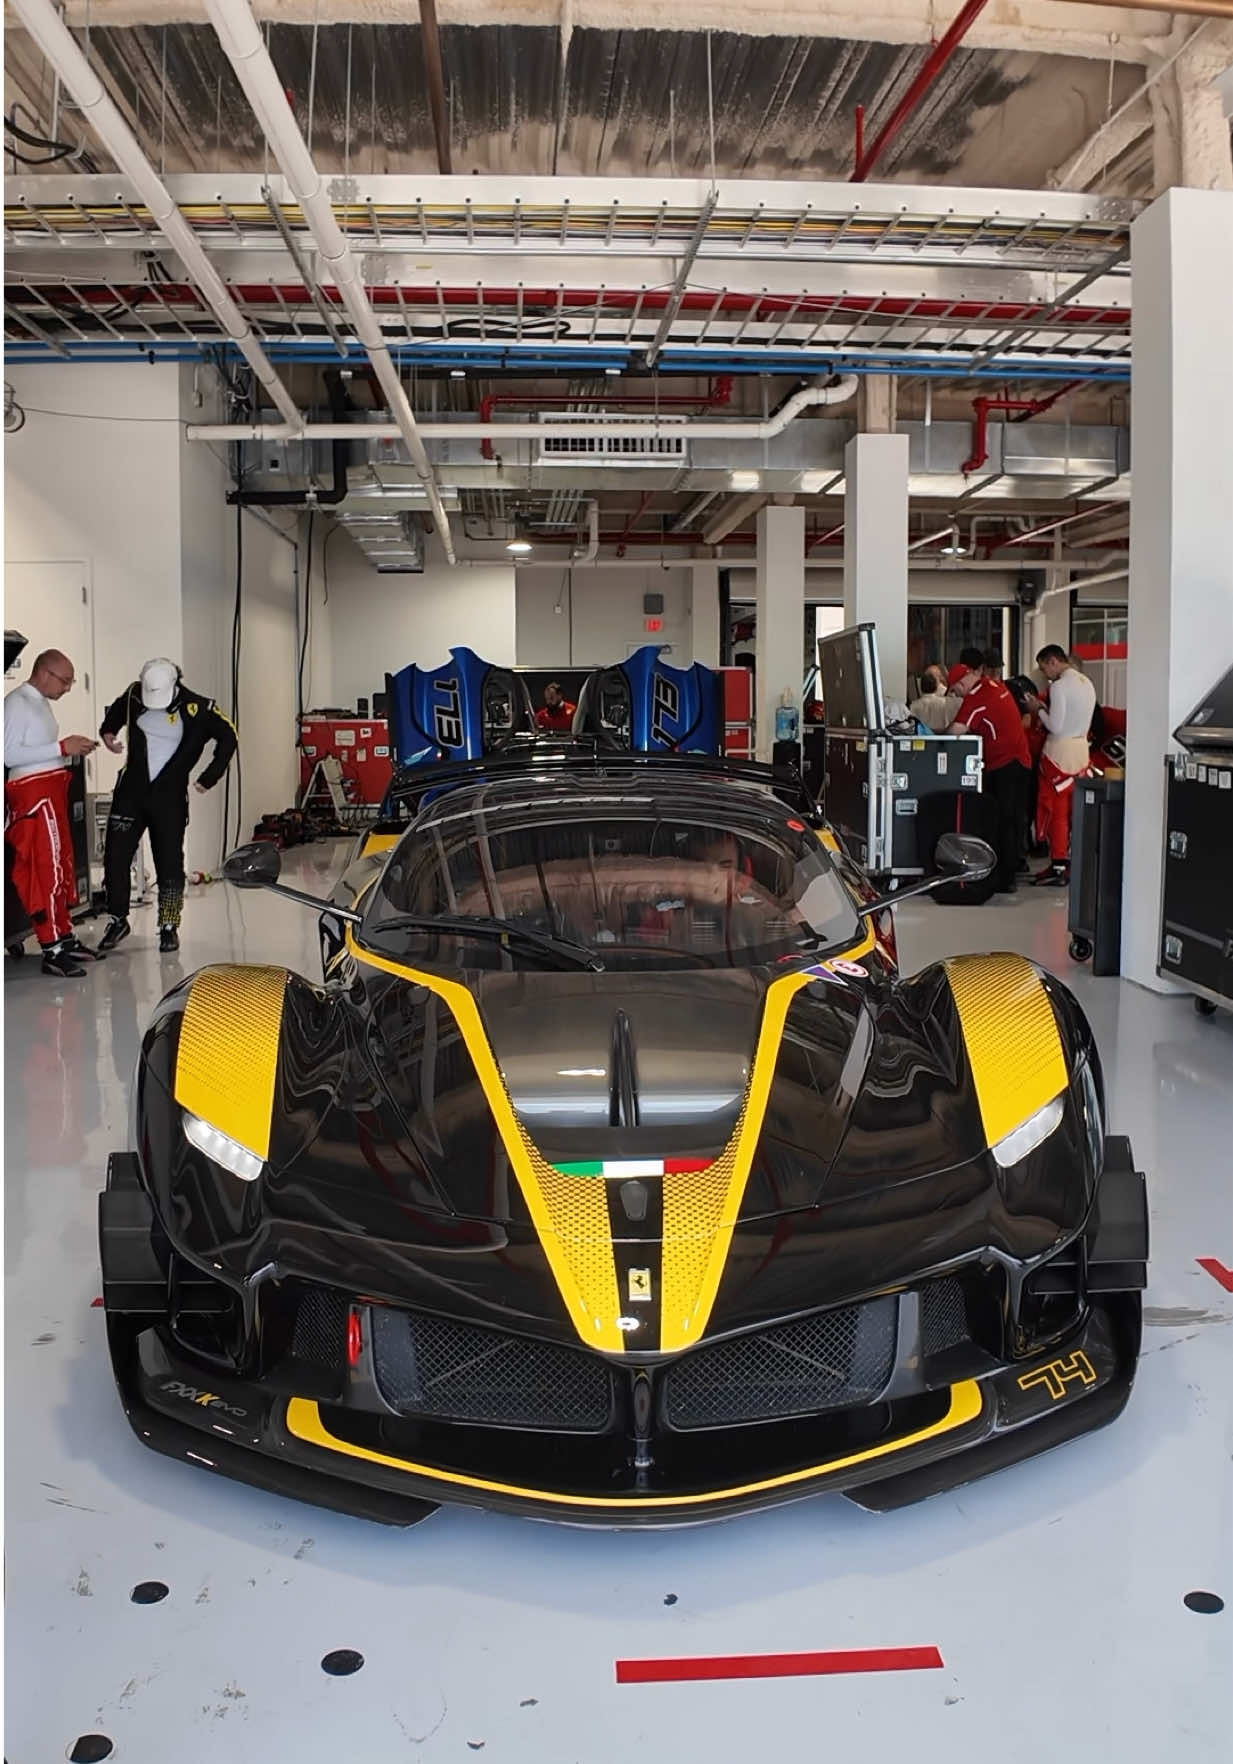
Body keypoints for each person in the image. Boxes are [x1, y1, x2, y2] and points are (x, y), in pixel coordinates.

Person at [96, 659, 237, 953]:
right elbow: (118, 712)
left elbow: (229, 736)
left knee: (170, 863)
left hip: (169, 799)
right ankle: (117, 918)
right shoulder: (135, 694)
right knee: (116, 856)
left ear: (176, 685)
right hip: (130, 793)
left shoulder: (199, 708)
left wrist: (209, 777)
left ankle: (169, 925)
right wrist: (108, 733)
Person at [3, 648, 103, 977]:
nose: (67, 688)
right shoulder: (16, 703)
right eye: (65, 681)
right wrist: (62, 748)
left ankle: (63, 934)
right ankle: (51, 946)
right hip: (33, 796)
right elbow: (8, 754)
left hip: (50, 791)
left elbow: (31, 749)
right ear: (45, 673)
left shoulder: (39, 702)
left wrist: (65, 751)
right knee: (46, 870)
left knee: (61, 865)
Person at [950, 649, 1032, 892]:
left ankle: (1003, 879)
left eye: (956, 689)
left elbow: (956, 732)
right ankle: (1011, 870)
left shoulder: (977, 697)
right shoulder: (995, 686)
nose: (957, 694)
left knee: (1002, 820)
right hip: (1020, 761)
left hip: (1004, 765)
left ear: (963, 681)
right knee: (1015, 820)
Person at [1025, 644, 1097, 886]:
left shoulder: (1059, 687)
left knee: (1056, 813)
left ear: (1054, 661)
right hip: (1080, 752)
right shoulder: (1086, 683)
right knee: (1074, 811)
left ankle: (1058, 863)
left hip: (1058, 754)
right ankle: (1071, 862)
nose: (1045, 673)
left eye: (1044, 667)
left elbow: (1055, 726)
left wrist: (1038, 709)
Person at [909, 664, 961, 733]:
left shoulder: (912, 706)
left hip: (921, 739)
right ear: (937, 685)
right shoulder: (951, 702)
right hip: (945, 740)